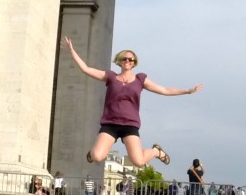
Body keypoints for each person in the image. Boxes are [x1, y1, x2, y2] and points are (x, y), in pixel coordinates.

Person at [61, 37, 202, 167]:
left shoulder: (140, 80)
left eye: (131, 59)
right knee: (97, 157)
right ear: (119, 60)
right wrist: (72, 51)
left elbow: (164, 90)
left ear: (134, 63)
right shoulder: (110, 77)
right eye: (125, 58)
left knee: (139, 162)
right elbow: (86, 69)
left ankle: (156, 151)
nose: (128, 61)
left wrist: (188, 91)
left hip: (130, 124)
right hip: (110, 123)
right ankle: (93, 153)